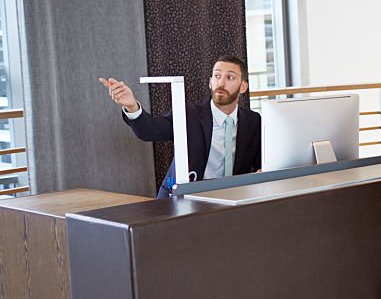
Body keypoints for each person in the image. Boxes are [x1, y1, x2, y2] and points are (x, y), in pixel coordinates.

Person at [100, 55, 261, 197]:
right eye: (217, 76)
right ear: (210, 82)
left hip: (234, 202)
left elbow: (262, 164)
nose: (221, 83)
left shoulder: (254, 121)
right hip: (187, 200)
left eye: (230, 78)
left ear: (243, 87)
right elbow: (151, 130)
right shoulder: (188, 115)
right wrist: (132, 106)